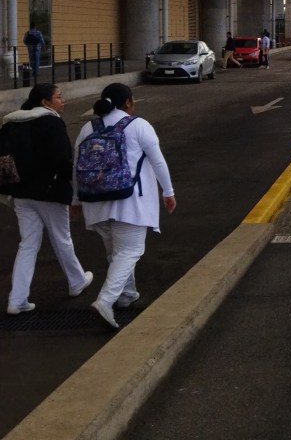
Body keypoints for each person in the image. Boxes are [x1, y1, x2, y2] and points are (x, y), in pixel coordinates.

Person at [74, 83, 176, 329]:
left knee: (116, 253)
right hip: (130, 203)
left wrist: (76, 199)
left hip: (96, 203)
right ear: (128, 102)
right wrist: (168, 192)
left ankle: (127, 295)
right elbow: (158, 161)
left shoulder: (88, 127)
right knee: (129, 252)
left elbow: (76, 165)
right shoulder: (138, 125)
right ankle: (105, 301)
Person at [4, 84, 93, 315]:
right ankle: (76, 281)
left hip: (21, 193)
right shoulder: (51, 122)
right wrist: (75, 189)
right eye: (58, 97)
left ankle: (17, 299)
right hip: (50, 191)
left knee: (28, 244)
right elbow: (62, 160)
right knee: (62, 238)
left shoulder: (11, 122)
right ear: (45, 102)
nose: (62, 101)